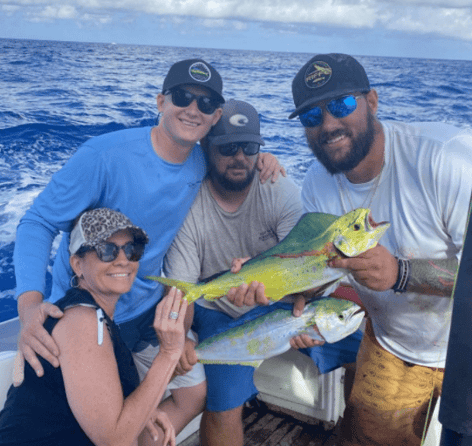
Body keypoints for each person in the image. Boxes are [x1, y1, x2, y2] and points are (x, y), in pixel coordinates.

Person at [12, 58, 279, 437]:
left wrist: (264, 159)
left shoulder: (202, 162)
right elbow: (37, 223)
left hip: (149, 313)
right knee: (104, 428)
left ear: (215, 115)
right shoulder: (103, 156)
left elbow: (233, 162)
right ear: (160, 102)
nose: (193, 109)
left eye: (205, 104)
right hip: (94, 314)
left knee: (192, 393)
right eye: (183, 97)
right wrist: (28, 309)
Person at [285, 53, 472, 446]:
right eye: (311, 117)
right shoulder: (316, 184)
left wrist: (401, 274)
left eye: (340, 105)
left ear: (372, 101)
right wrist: (298, 298)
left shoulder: (446, 156)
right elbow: (321, 271)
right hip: (392, 345)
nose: (329, 124)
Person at [164, 99, 363, 446]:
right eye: (227, 147)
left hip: (286, 303)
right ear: (207, 147)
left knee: (366, 354)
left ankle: (353, 435)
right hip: (219, 310)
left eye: (249, 147)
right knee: (224, 401)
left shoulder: (280, 189)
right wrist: (179, 338)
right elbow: (184, 293)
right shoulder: (188, 205)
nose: (239, 157)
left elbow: (309, 271)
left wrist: (301, 307)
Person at [0, 207, 187, 446]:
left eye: (132, 250)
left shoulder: (92, 315)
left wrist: (143, 408)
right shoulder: (82, 321)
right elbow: (115, 441)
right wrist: (169, 353)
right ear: (77, 264)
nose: (123, 260)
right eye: (106, 250)